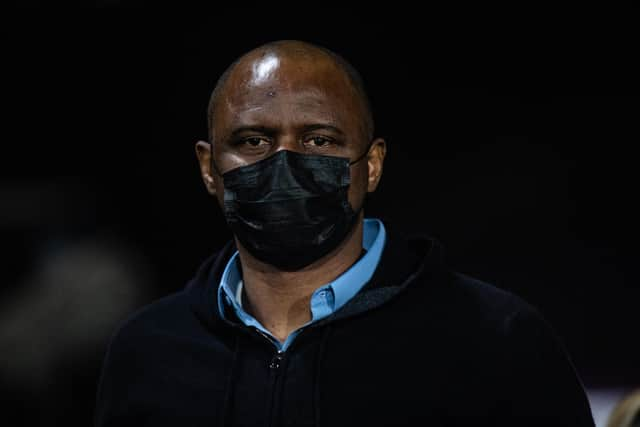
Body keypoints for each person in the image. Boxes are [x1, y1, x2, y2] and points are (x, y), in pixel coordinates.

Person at [94, 40, 595, 426]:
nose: (285, 163)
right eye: (252, 140)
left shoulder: (496, 339)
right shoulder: (148, 351)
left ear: (372, 165)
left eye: (319, 139)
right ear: (208, 167)